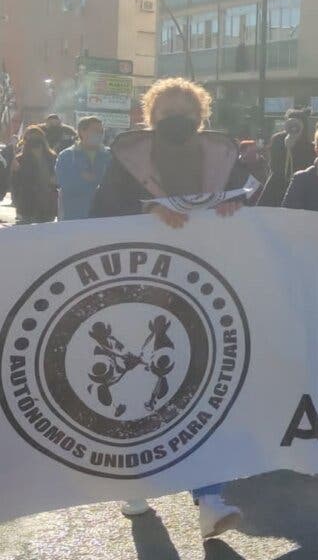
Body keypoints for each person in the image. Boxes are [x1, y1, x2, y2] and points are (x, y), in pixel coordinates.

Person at [89, 78, 245, 538]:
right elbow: (102, 215)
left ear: (202, 119)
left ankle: (210, 498)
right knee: (137, 383)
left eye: (188, 116)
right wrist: (149, 210)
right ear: (149, 119)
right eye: (167, 116)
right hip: (140, 290)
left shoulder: (223, 160)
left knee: (205, 385)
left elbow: (251, 208)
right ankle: (137, 480)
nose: (178, 123)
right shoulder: (126, 161)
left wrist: (234, 208)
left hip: (204, 290)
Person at [55, 117, 112, 220]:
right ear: (82, 131)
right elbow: (63, 183)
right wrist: (83, 179)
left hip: (104, 216)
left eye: (101, 131)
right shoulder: (67, 156)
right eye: (95, 131)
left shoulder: (110, 155)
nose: (99, 134)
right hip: (75, 216)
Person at [258, 108, 316, 207]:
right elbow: (274, 165)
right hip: (276, 187)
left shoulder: (309, 146)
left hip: (300, 188)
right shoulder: (278, 140)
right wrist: (287, 147)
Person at [11, 126, 58, 224]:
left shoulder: (52, 158)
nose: (34, 141)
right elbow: (15, 184)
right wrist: (17, 203)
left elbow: (59, 179)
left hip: (47, 204)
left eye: (37, 138)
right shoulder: (20, 160)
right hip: (27, 204)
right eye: (31, 138)